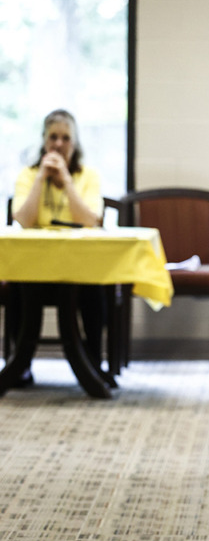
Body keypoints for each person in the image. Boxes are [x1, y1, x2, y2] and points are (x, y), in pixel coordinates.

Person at [10, 109, 106, 386]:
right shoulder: (28, 175)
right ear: (44, 141)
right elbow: (25, 222)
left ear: (74, 145)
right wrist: (42, 179)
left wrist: (66, 182)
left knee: (95, 288)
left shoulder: (87, 175)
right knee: (18, 285)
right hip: (36, 266)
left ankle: (92, 363)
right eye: (53, 137)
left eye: (65, 138)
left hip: (79, 266)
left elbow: (91, 221)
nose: (59, 144)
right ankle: (21, 365)